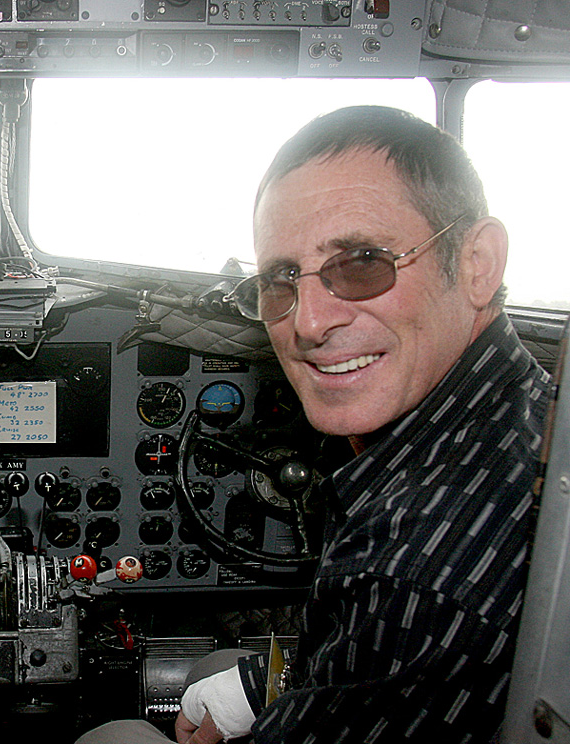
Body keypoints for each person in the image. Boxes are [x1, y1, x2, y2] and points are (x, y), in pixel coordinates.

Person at [76, 106, 551, 743]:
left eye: (360, 263)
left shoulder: (412, 573)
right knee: (219, 674)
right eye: (280, 279)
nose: (307, 322)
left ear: (477, 263)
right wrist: (262, 684)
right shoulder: (521, 406)